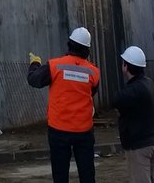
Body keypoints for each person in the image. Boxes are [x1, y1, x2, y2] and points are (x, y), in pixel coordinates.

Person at [28, 26, 102, 183]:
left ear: (69, 44)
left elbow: (34, 80)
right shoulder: (93, 72)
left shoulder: (55, 66)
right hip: (84, 131)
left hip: (59, 130)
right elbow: (91, 93)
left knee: (60, 175)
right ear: (87, 50)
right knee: (87, 174)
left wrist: (35, 63)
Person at [111, 46, 154, 183]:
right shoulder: (149, 84)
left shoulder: (132, 90)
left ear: (126, 66)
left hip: (138, 147)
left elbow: (116, 101)